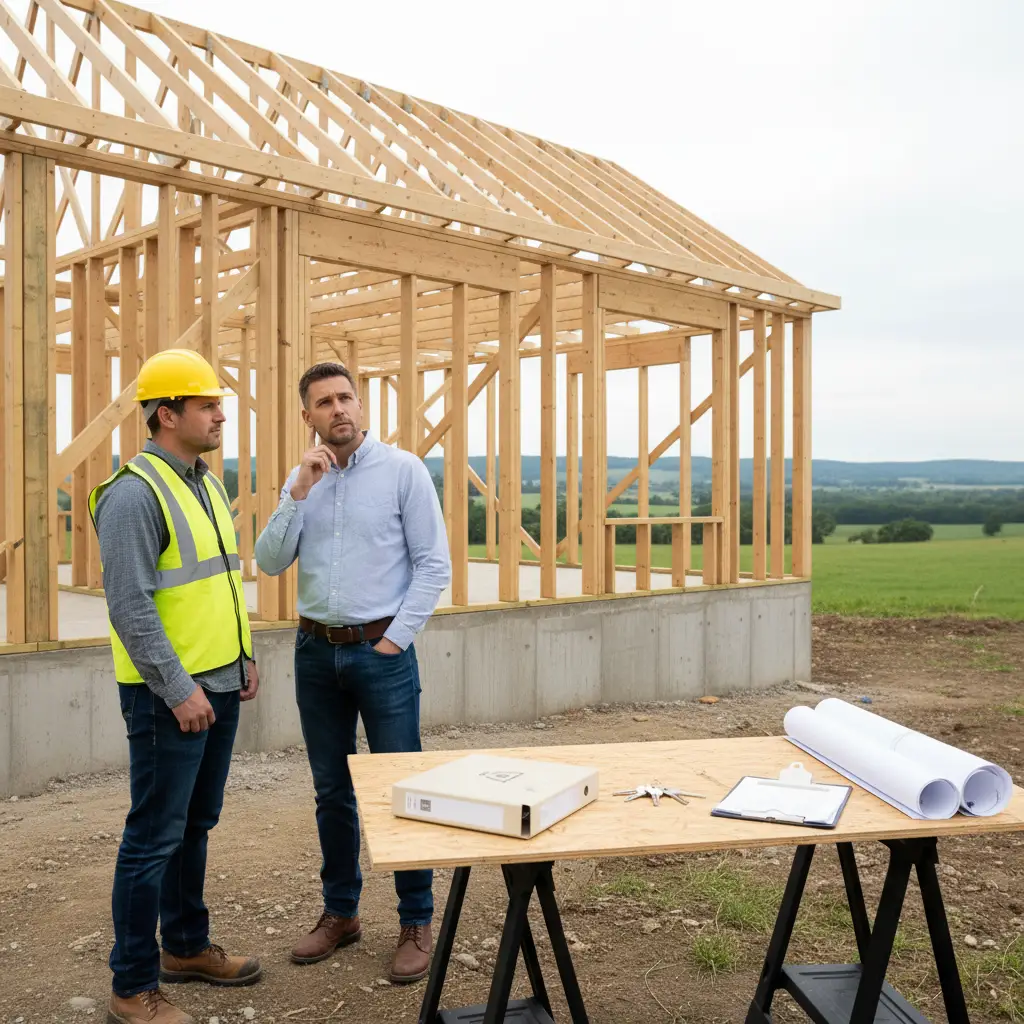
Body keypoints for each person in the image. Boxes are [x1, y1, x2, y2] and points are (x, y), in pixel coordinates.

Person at [254, 362, 451, 983]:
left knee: (401, 786)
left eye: (345, 398)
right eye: (323, 402)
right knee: (332, 792)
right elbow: (268, 561)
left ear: (360, 406)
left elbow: (433, 566)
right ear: (308, 416)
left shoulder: (404, 471)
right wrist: (298, 492)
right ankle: (341, 913)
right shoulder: (302, 479)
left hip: (380, 653)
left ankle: (416, 919)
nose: (337, 409)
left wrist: (394, 642)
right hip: (315, 654)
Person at [90, 349, 262, 1024]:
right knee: (154, 835)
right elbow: (130, 606)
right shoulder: (134, 493)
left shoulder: (205, 482)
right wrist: (178, 687)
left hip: (217, 684)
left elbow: (217, 578)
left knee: (195, 824)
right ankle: (132, 986)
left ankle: (184, 948)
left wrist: (243, 655)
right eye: (208, 404)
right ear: (167, 414)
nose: (221, 415)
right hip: (171, 696)